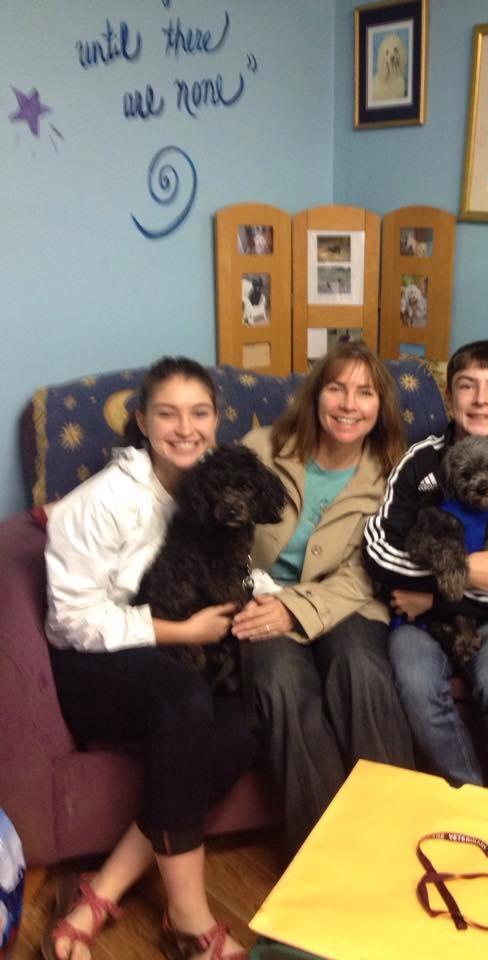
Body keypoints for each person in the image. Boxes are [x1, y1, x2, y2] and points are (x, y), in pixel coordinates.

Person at [43, 357, 255, 960]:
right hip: (92, 661)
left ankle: (101, 891)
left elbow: (230, 568)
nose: (185, 429)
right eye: (168, 414)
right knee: (185, 702)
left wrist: (274, 601)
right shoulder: (101, 501)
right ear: (142, 421)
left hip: (168, 656)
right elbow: (72, 622)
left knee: (240, 728)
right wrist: (181, 630)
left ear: (216, 419)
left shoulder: (209, 492)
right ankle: (189, 919)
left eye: (199, 413)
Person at [231, 340, 414, 854]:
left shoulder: (395, 472)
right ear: (315, 395)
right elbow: (224, 536)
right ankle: (328, 857)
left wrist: (298, 609)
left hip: (348, 601)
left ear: (381, 406)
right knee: (281, 683)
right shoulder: (261, 449)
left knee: (361, 668)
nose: (349, 404)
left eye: (365, 392)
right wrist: (258, 599)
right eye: (336, 389)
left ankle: (398, 837)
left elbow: (370, 569)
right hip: (261, 601)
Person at [364, 340, 488, 799]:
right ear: (449, 399)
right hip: (420, 624)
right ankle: (470, 802)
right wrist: (463, 573)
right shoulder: (418, 462)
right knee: (413, 683)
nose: (481, 399)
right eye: (467, 386)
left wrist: (432, 595)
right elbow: (378, 548)